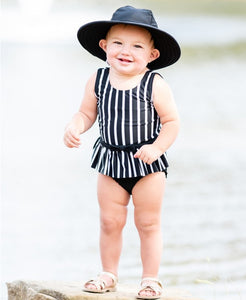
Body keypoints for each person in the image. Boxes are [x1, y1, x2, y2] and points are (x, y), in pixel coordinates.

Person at [64, 5, 181, 299]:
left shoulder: (154, 84)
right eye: (117, 43)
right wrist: (75, 125)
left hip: (146, 167)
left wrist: (157, 147)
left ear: (152, 55)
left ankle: (150, 279)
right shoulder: (98, 80)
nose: (125, 51)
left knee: (148, 223)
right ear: (104, 46)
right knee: (109, 221)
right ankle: (109, 273)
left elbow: (171, 122)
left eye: (137, 46)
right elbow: (86, 113)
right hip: (110, 161)